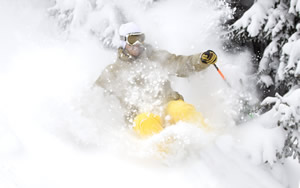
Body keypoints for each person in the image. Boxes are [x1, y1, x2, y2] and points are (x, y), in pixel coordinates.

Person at [94, 22, 217, 137]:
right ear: (123, 42)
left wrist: (201, 60)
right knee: (148, 124)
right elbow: (95, 95)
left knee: (183, 110)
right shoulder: (114, 71)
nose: (137, 43)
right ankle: (167, 154)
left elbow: (181, 64)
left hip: (167, 104)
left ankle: (208, 140)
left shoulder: (157, 57)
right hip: (140, 115)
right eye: (132, 39)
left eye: (140, 38)